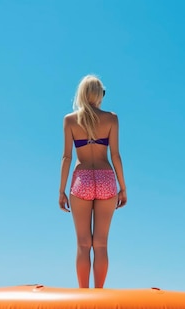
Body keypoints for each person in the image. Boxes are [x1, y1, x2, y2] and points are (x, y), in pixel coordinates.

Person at [59, 75, 127, 288]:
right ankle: (99, 295)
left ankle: (83, 295)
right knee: (101, 244)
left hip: (82, 179)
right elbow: (115, 155)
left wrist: (61, 190)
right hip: (106, 178)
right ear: (98, 95)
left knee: (82, 244)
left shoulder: (70, 120)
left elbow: (67, 158)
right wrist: (123, 187)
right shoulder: (111, 119)